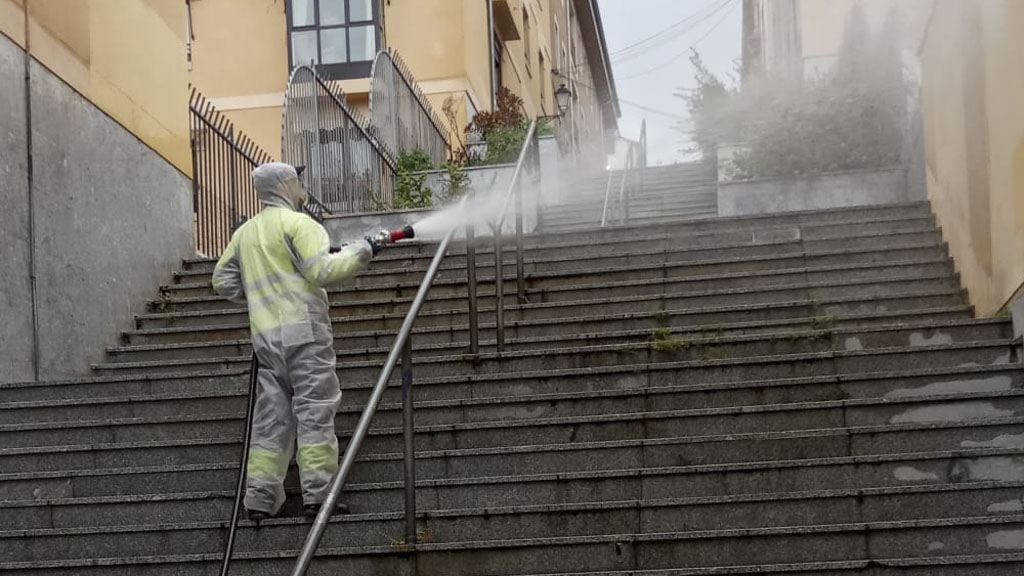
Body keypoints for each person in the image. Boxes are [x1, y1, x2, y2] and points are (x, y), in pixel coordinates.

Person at [212, 162, 381, 522]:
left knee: (272, 416)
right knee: (315, 410)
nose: (303, 185)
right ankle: (318, 497)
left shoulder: (246, 233)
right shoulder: (300, 225)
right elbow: (322, 270)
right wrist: (361, 251)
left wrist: (264, 294)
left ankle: (259, 499)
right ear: (286, 184)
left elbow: (222, 282)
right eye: (299, 179)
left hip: (266, 338)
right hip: (304, 332)